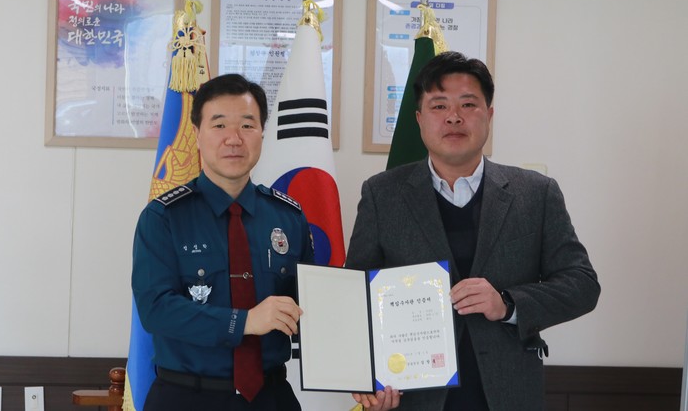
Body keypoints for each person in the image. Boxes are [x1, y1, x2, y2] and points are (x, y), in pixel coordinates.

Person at [345, 52, 600, 411]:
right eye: (439, 106)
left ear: (489, 115)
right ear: (419, 119)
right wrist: (367, 379)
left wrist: (507, 303)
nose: (454, 116)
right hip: (414, 397)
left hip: (509, 395)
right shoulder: (382, 194)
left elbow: (582, 285)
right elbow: (355, 295)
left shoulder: (536, 194)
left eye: (468, 104)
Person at [132, 74, 314, 411]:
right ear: (197, 134)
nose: (234, 139)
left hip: (271, 397)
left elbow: (312, 307)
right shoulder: (163, 218)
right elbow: (156, 309)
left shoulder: (288, 218)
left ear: (262, 133)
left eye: (247, 125)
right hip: (186, 398)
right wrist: (244, 322)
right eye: (219, 125)